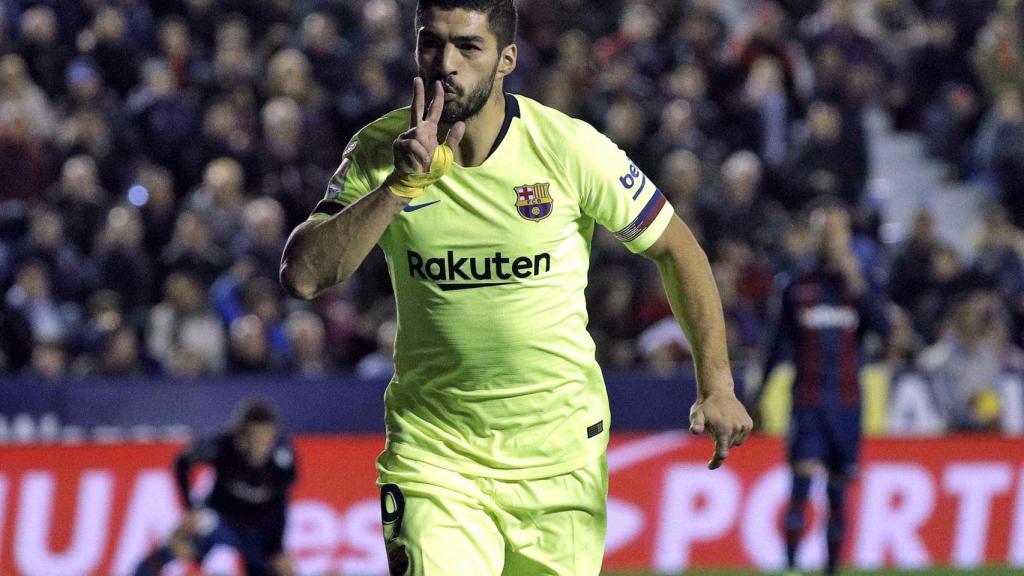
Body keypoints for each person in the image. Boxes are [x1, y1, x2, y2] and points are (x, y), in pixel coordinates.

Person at [279, 1, 752, 574]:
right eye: (432, 43)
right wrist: (399, 187)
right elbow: (304, 275)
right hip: (436, 455)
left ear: (506, 59)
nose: (445, 63)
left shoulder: (568, 148)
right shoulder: (382, 151)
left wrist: (717, 385)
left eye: (468, 47)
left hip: (561, 459)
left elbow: (677, 249)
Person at [755, 201, 892, 576]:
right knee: (799, 485)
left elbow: (886, 332)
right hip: (808, 401)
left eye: (837, 230)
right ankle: (790, 565)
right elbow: (774, 344)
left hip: (847, 403)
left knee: (837, 493)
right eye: (824, 230)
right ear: (813, 236)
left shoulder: (861, 284)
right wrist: (755, 392)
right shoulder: (795, 285)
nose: (831, 238)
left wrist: (860, 286)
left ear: (847, 236)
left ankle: (832, 568)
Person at [134, 400, 297, 576]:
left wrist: (277, 549)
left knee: (280, 570)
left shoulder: (282, 459)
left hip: (256, 529)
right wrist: (189, 509)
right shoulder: (222, 446)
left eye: (266, 438)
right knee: (182, 543)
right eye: (255, 437)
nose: (261, 445)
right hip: (220, 518)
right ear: (242, 435)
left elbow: (279, 504)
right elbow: (183, 461)